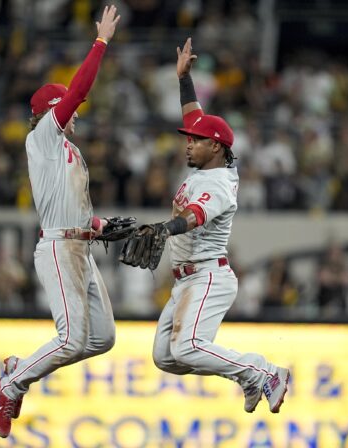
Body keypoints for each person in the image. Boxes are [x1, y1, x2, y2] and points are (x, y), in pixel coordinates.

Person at [0, 5, 121, 438]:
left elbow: (71, 206)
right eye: (65, 103)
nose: (76, 109)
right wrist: (100, 42)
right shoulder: (43, 135)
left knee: (101, 338)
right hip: (59, 249)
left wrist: (105, 227)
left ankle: (18, 368)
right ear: (51, 108)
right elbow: (79, 90)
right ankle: (12, 383)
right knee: (70, 339)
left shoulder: (67, 148)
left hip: (79, 245)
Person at [147, 38, 290, 414]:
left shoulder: (219, 183)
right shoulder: (208, 161)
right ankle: (248, 374)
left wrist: (164, 230)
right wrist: (184, 79)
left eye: (197, 140)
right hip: (186, 280)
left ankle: (263, 372)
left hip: (208, 276)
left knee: (187, 348)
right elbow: (194, 115)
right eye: (190, 139)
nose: (189, 143)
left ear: (217, 147)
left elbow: (194, 216)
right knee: (165, 357)